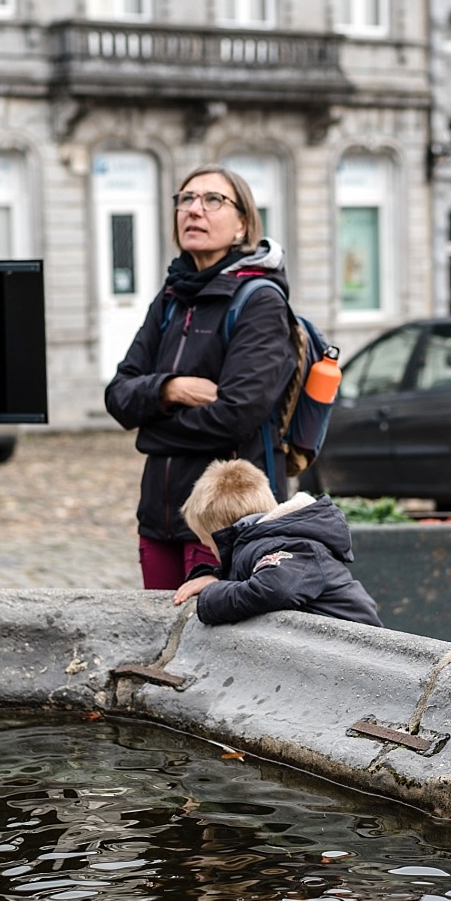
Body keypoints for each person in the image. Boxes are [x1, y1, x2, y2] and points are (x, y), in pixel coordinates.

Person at [104, 164, 297, 591]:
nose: (195, 210)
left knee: (210, 647)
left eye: (213, 200)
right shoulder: (172, 298)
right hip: (158, 515)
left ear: (242, 224)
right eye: (186, 199)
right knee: (157, 644)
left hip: (224, 519)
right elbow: (118, 394)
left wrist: (150, 433)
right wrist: (169, 388)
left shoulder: (259, 300)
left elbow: (235, 414)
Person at [171, 459, 381, 627]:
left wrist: (212, 594)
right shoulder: (269, 543)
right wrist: (216, 577)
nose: (211, 552)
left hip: (361, 650)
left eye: (209, 545)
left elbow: (273, 589)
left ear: (224, 534)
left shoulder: (290, 545)